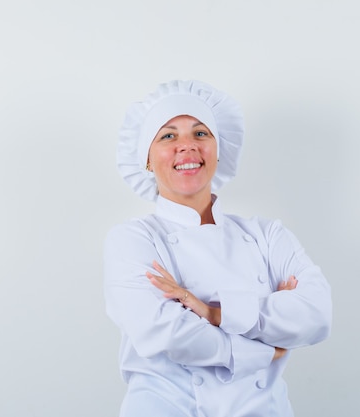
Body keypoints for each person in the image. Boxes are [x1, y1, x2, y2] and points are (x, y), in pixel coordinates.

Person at [103, 80, 332, 417]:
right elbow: (167, 334)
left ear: (218, 149)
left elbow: (316, 314)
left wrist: (211, 313)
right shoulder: (133, 239)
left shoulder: (267, 234)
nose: (187, 147)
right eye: (168, 136)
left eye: (201, 134)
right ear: (147, 159)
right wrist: (267, 349)